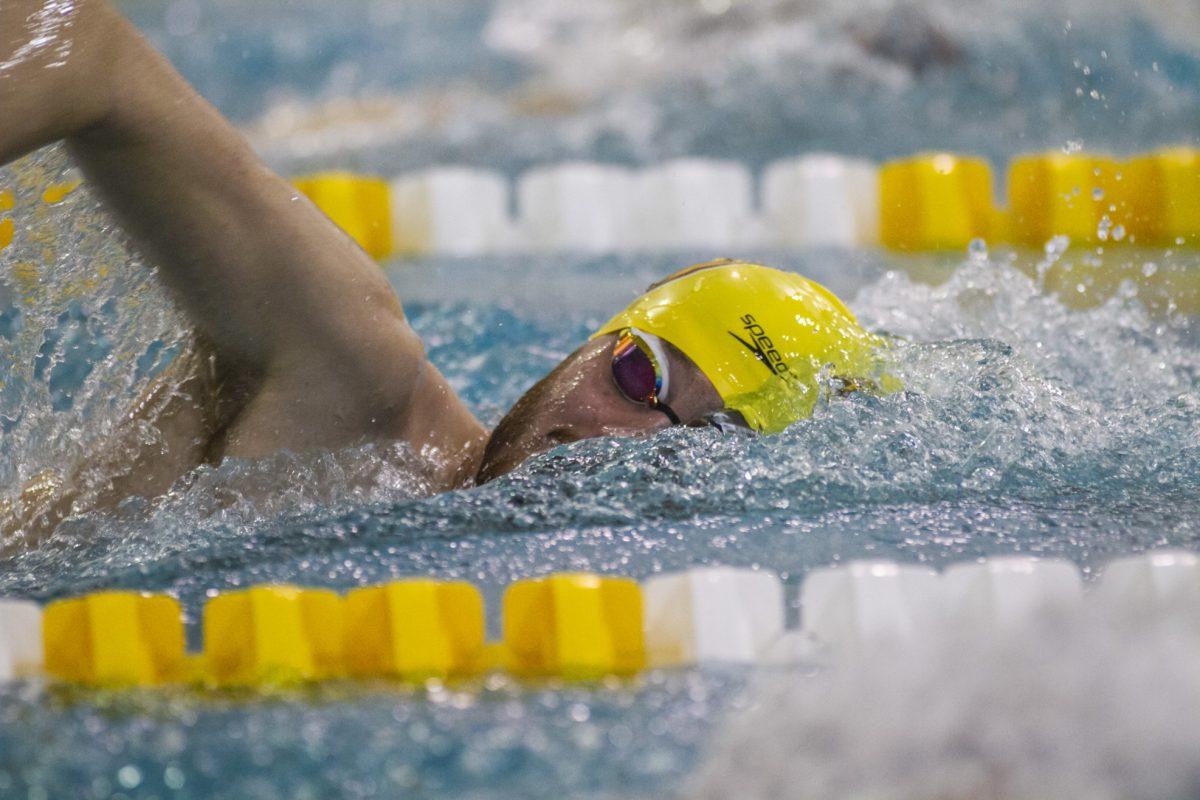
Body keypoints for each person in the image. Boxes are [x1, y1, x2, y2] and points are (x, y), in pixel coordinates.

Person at [0, 0, 885, 543]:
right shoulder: (353, 375)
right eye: (637, 375)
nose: (624, 441)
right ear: (598, 339)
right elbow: (83, 48)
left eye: (701, 444)